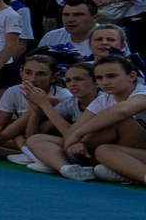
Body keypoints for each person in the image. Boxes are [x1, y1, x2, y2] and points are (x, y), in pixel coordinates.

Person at [50, 53, 146, 183]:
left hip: (139, 150)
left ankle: (70, 161)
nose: (104, 82)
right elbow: (72, 132)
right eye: (99, 78)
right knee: (103, 151)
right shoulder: (103, 99)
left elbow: (122, 111)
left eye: (112, 76)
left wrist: (78, 135)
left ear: (132, 76)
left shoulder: (142, 93)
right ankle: (70, 165)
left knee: (119, 121)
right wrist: (77, 143)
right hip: (132, 152)